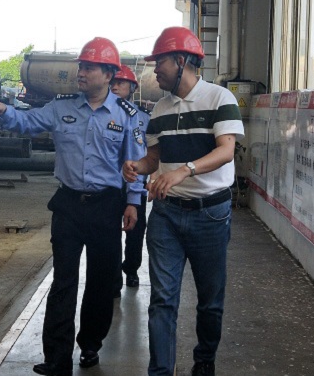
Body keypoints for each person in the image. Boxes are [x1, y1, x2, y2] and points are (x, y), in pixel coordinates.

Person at [0, 37, 145, 376]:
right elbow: (29, 121)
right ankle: (57, 357)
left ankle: (91, 344)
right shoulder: (61, 107)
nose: (81, 72)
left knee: (100, 282)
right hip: (68, 205)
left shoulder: (126, 115)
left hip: (106, 207)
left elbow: (136, 162)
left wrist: (133, 202)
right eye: (81, 66)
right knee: (63, 282)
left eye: (89, 67)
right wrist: (4, 112)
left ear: (108, 74)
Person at [122, 26, 244, 376]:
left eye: (159, 62)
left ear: (180, 60)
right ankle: (161, 371)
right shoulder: (159, 109)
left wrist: (184, 171)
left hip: (210, 215)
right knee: (162, 299)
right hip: (166, 216)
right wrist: (137, 166)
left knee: (210, 301)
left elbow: (226, 151)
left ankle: (204, 361)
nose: (155, 71)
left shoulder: (220, 99)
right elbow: (155, 158)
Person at [109, 64, 150, 293]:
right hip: (110, 185)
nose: (115, 87)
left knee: (135, 230)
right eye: (112, 83)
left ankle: (131, 269)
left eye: (120, 83)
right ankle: (113, 276)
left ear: (132, 88)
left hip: (135, 182)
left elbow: (151, 152)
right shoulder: (103, 114)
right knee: (109, 231)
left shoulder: (143, 118)